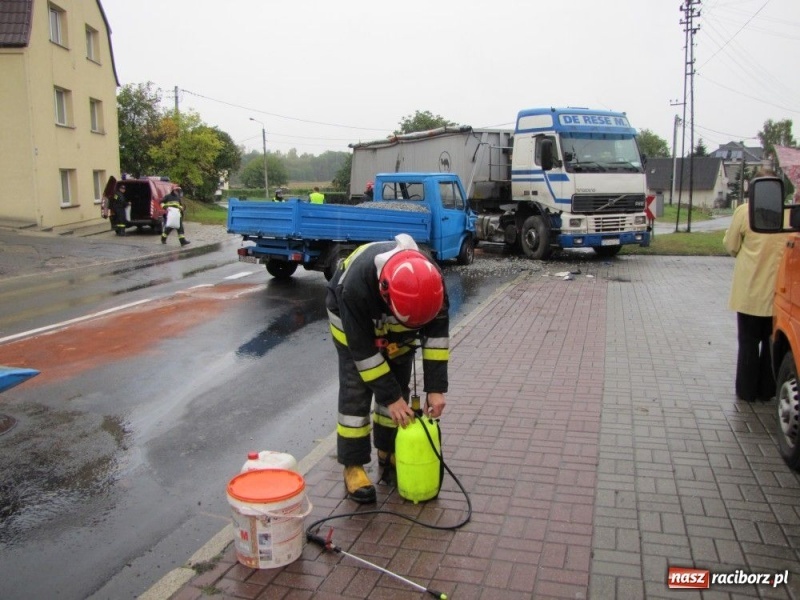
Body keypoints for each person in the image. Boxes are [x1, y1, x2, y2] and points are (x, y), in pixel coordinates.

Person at [326, 233, 449, 503]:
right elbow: (364, 353)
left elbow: (436, 340)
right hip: (352, 325)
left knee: (398, 386)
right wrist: (389, 396)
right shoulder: (355, 287)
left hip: (398, 331)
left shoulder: (431, 283)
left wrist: (436, 389)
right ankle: (353, 465)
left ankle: (388, 448)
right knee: (356, 391)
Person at [723, 170, 789, 402]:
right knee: (772, 344)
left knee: (748, 344)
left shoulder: (744, 212)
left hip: (749, 291)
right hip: (777, 294)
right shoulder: (789, 215)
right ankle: (766, 390)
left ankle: (746, 390)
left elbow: (731, 246)